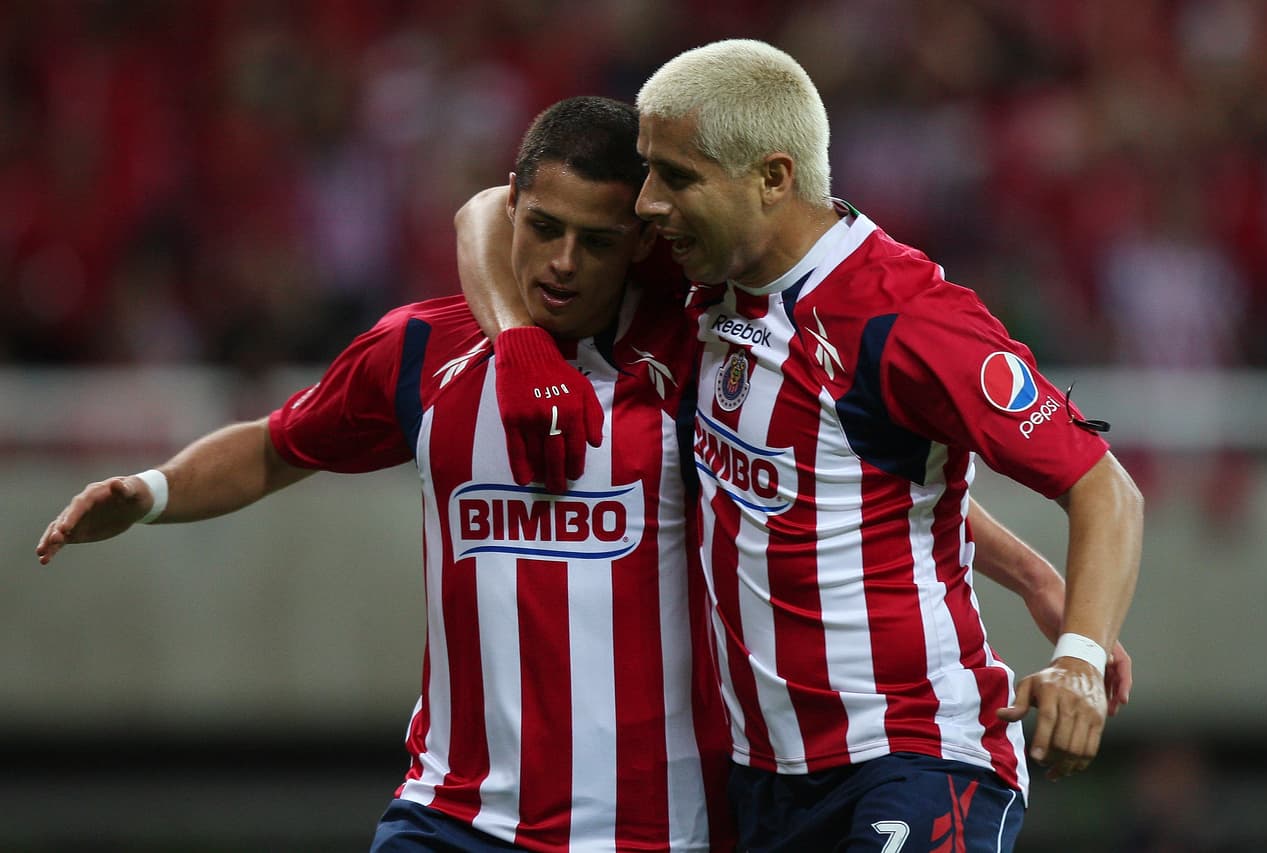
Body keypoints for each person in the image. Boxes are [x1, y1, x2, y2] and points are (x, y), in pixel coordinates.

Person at [459, 39, 1143, 852]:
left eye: (675, 176)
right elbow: (483, 213)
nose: (646, 203)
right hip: (766, 782)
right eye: (648, 171)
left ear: (773, 177)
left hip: (914, 756)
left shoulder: (905, 318)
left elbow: (1106, 488)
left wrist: (1077, 658)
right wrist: (520, 346)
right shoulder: (707, 281)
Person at [35, 96, 734, 853]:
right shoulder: (423, 350)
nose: (563, 261)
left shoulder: (701, 361)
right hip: (452, 820)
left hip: (653, 832)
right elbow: (277, 445)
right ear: (513, 205)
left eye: (597, 241)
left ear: (640, 242)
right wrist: (151, 491)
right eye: (543, 227)